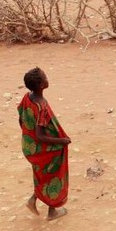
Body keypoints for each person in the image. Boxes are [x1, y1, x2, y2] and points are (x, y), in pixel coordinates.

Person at [17, 67, 71, 221]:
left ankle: (33, 200)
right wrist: (61, 141)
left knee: (42, 174)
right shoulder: (41, 106)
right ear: (41, 85)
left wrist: (28, 136)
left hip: (29, 146)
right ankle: (52, 211)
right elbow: (40, 135)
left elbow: (21, 116)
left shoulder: (27, 97)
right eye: (45, 77)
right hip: (41, 149)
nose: (48, 79)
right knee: (52, 174)